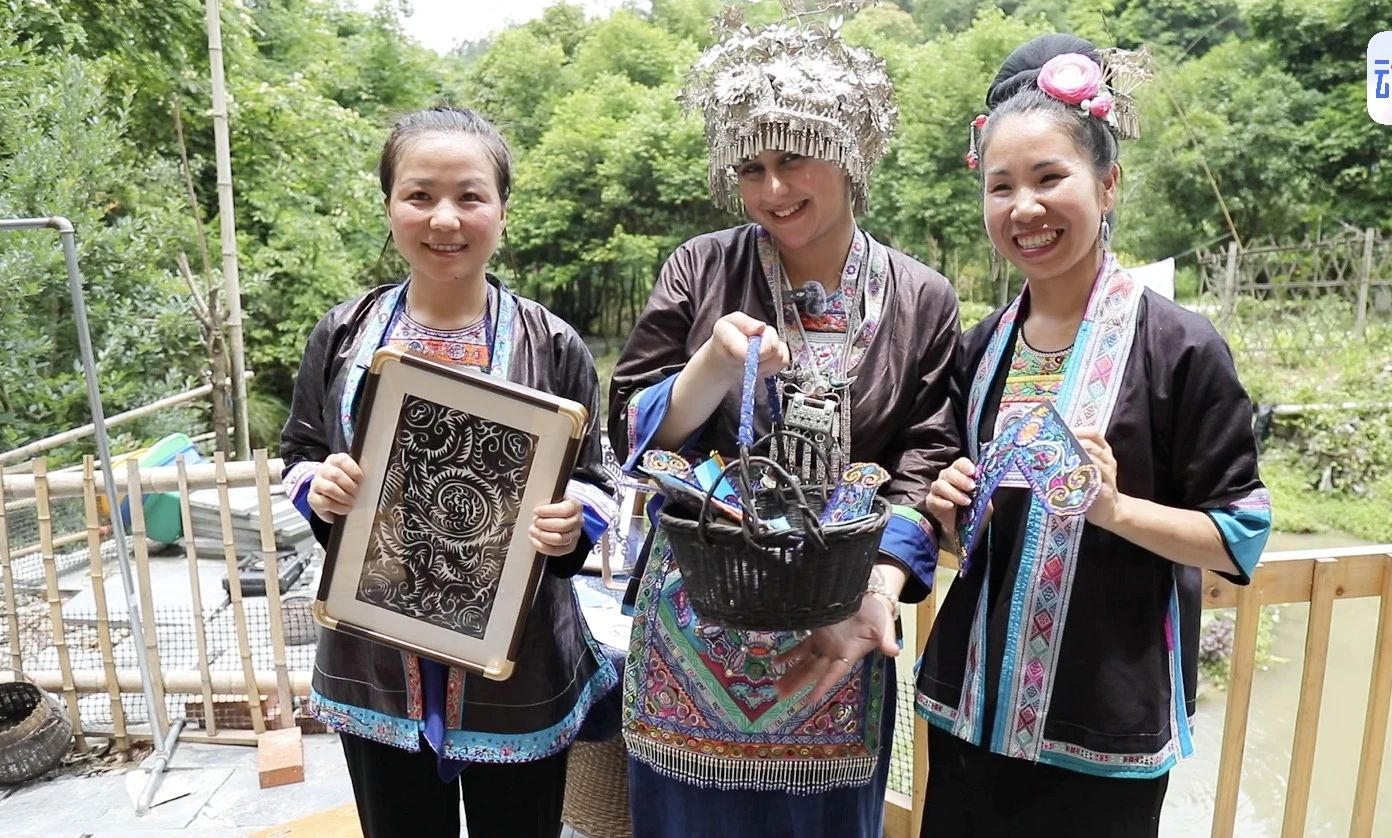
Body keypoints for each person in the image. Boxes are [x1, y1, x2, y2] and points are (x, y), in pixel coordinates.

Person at [607, 18, 961, 838]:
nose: (773, 189)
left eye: (794, 157)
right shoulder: (700, 267)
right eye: (751, 167)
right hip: (696, 620)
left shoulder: (921, 298)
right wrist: (711, 366)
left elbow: (927, 456)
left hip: (843, 622)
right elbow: (634, 434)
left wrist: (878, 592)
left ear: (850, 151)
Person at [916, 34, 1272, 836]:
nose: (1024, 208)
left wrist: (1112, 508)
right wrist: (949, 509)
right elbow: (969, 541)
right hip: (972, 713)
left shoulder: (1179, 347)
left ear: (1107, 183)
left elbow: (1240, 536)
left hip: (1103, 731)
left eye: (1050, 178)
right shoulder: (981, 348)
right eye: (1001, 186)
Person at [279, 105, 617, 838]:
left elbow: (594, 478)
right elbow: (299, 450)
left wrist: (572, 521)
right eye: (419, 195)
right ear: (389, 206)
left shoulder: (553, 344)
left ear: (502, 209)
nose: (444, 219)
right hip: (374, 646)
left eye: (469, 196)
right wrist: (321, 487)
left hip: (517, 653)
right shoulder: (343, 335)